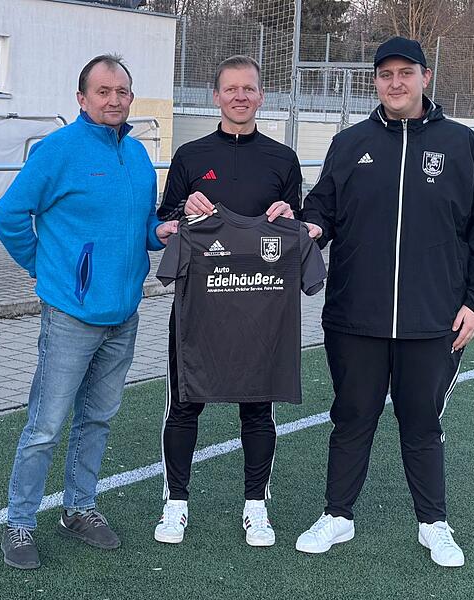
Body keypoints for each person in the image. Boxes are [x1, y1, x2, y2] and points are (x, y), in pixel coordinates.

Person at [296, 37, 474, 566]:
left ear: (425, 77)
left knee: (422, 423)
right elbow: (321, 211)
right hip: (355, 317)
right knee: (352, 417)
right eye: (385, 74)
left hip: (434, 320)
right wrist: (297, 229)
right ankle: (337, 516)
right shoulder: (350, 144)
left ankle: (434, 524)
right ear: (375, 81)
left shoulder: (463, 145)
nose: (395, 83)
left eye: (405, 73)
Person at [0, 54, 178, 570]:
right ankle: (20, 521)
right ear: (82, 98)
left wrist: (157, 233)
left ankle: (79, 508)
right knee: (47, 425)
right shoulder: (58, 151)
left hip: (124, 314)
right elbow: (7, 217)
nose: (114, 100)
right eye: (103, 91)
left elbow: (141, 223)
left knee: (98, 418)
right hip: (71, 315)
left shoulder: (138, 155)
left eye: (122, 92)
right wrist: (47, 270)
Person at [154, 55, 302, 547]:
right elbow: (164, 221)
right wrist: (181, 212)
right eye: (230, 89)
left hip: (262, 306)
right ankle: (176, 503)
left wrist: (289, 214)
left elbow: (301, 226)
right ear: (215, 96)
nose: (240, 96)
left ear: (262, 97)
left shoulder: (282, 159)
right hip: (201, 305)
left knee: (257, 409)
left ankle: (256, 506)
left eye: (249, 89)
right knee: (185, 405)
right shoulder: (191, 156)